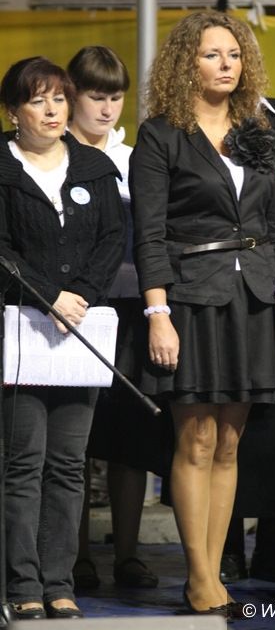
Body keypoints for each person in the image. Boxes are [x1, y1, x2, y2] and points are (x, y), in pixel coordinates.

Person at [129, 11, 275, 618]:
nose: (226, 64)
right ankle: (201, 576)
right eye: (212, 54)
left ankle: (213, 578)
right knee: (197, 437)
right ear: (188, 63)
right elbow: (149, 234)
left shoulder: (259, 130)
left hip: (254, 296)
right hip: (191, 297)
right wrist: (158, 311)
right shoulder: (161, 135)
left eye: (233, 53)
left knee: (231, 441)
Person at [0, 56, 125, 620]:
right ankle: (22, 583)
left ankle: (59, 582)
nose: (52, 111)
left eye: (58, 99)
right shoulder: (3, 168)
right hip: (22, 328)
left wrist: (81, 296)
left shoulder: (94, 167)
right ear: (13, 111)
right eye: (37, 100)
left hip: (80, 328)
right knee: (23, 461)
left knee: (69, 463)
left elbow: (111, 240)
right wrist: (48, 294)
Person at [67, 45, 158, 591]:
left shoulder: (133, 158)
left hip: (131, 312)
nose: (106, 109)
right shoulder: (52, 155)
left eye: (116, 98)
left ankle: (128, 554)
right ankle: (74, 556)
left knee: (131, 439)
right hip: (72, 313)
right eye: (95, 96)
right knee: (73, 440)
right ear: (72, 95)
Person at [220, 96, 275, 586]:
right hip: (227, 278)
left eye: (238, 57)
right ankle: (227, 548)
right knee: (227, 416)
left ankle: (270, 548)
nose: (230, 64)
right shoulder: (200, 118)